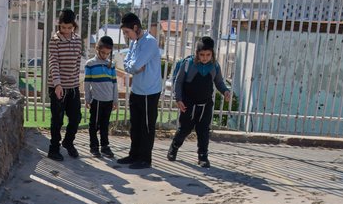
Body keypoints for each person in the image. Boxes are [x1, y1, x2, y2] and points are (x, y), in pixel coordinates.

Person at [167, 36, 232, 169]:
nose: (205, 58)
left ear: (212, 54)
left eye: (208, 55)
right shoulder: (187, 64)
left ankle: (203, 156)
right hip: (188, 104)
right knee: (184, 129)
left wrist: (225, 91)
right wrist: (179, 99)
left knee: (203, 131)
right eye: (202, 55)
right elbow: (178, 82)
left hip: (206, 105)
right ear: (197, 53)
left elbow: (218, 82)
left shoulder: (215, 66)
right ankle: (174, 147)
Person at [117, 13, 161, 169]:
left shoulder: (150, 42)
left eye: (127, 32)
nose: (126, 36)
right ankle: (134, 154)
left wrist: (133, 67)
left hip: (150, 91)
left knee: (146, 127)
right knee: (135, 125)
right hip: (136, 90)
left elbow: (134, 66)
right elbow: (127, 64)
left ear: (136, 27)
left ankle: (144, 158)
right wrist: (133, 67)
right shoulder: (134, 43)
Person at [46, 8, 83, 161]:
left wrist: (75, 84)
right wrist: (58, 85)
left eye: (69, 28)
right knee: (57, 119)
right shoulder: (54, 41)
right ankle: (54, 148)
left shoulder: (78, 40)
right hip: (58, 86)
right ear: (58, 24)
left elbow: (77, 63)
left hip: (73, 87)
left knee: (76, 117)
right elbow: (53, 63)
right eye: (63, 27)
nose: (66, 31)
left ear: (74, 25)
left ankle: (68, 142)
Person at [84, 35, 117, 158]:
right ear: (97, 48)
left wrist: (115, 100)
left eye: (107, 54)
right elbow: (87, 83)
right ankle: (94, 146)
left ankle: (105, 146)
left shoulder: (111, 65)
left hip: (108, 100)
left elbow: (114, 84)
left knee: (105, 124)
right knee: (94, 124)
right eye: (102, 53)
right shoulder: (90, 64)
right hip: (96, 100)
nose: (105, 56)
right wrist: (87, 99)